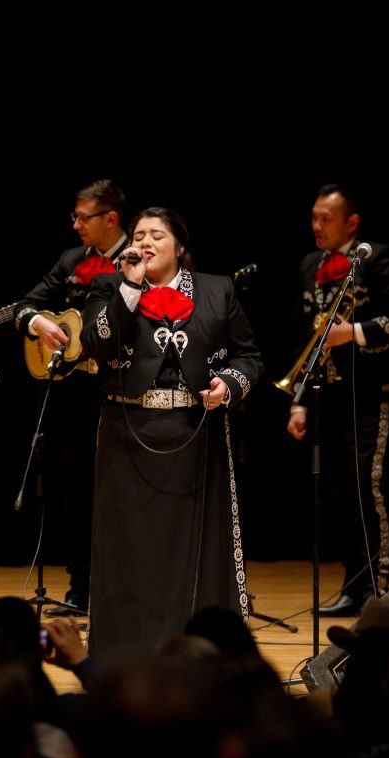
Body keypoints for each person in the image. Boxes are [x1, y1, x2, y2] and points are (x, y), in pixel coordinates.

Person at [81, 206, 262, 666]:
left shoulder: (216, 289)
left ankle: (199, 653)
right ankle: (127, 655)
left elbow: (249, 356)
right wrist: (128, 288)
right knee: (129, 550)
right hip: (128, 433)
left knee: (194, 552)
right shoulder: (108, 287)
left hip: (194, 431)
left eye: (156, 236)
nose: (143, 242)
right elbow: (98, 343)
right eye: (138, 235)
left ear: (179, 246)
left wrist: (230, 384)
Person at [285, 184, 389, 616]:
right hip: (328, 394)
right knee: (340, 493)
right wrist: (299, 400)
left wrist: (353, 332)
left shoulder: (376, 257)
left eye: (326, 217)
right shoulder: (310, 264)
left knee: (367, 488)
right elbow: (308, 334)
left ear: (352, 222)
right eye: (314, 217)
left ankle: (374, 589)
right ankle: (351, 583)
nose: (317, 226)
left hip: (369, 394)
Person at [12, 179, 128, 617]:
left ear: (110, 218)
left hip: (121, 394)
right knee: (76, 492)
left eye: (84, 217)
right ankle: (80, 588)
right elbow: (27, 305)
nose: (76, 224)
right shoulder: (71, 260)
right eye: (75, 217)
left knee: (119, 496)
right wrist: (38, 323)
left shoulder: (139, 258)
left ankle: (123, 588)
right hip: (75, 400)